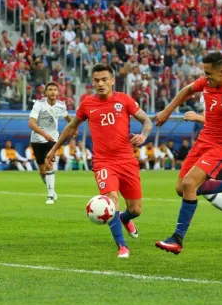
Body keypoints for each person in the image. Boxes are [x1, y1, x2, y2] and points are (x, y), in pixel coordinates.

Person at [46, 64, 153, 258]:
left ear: (112, 81)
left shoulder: (124, 100)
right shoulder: (87, 104)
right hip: (103, 162)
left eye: (104, 79)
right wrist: (54, 149)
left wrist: (144, 135)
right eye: (96, 80)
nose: (100, 84)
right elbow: (71, 128)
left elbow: (146, 120)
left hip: (127, 160)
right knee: (112, 200)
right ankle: (122, 246)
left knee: (135, 210)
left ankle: (125, 218)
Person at [154, 52, 222, 254]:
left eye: (209, 73)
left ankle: (177, 239)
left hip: (221, 146)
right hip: (204, 141)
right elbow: (187, 90)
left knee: (189, 184)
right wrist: (168, 111)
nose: (205, 77)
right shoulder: (207, 82)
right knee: (181, 188)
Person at [28, 82, 71, 205]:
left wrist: (75, 127)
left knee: (49, 164)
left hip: (52, 140)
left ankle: (50, 196)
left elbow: (67, 117)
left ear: (58, 92)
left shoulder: (61, 106)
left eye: (55, 90)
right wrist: (44, 134)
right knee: (42, 171)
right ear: (45, 92)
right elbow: (31, 123)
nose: (53, 92)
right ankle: (51, 189)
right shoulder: (39, 105)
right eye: (50, 90)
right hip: (37, 140)